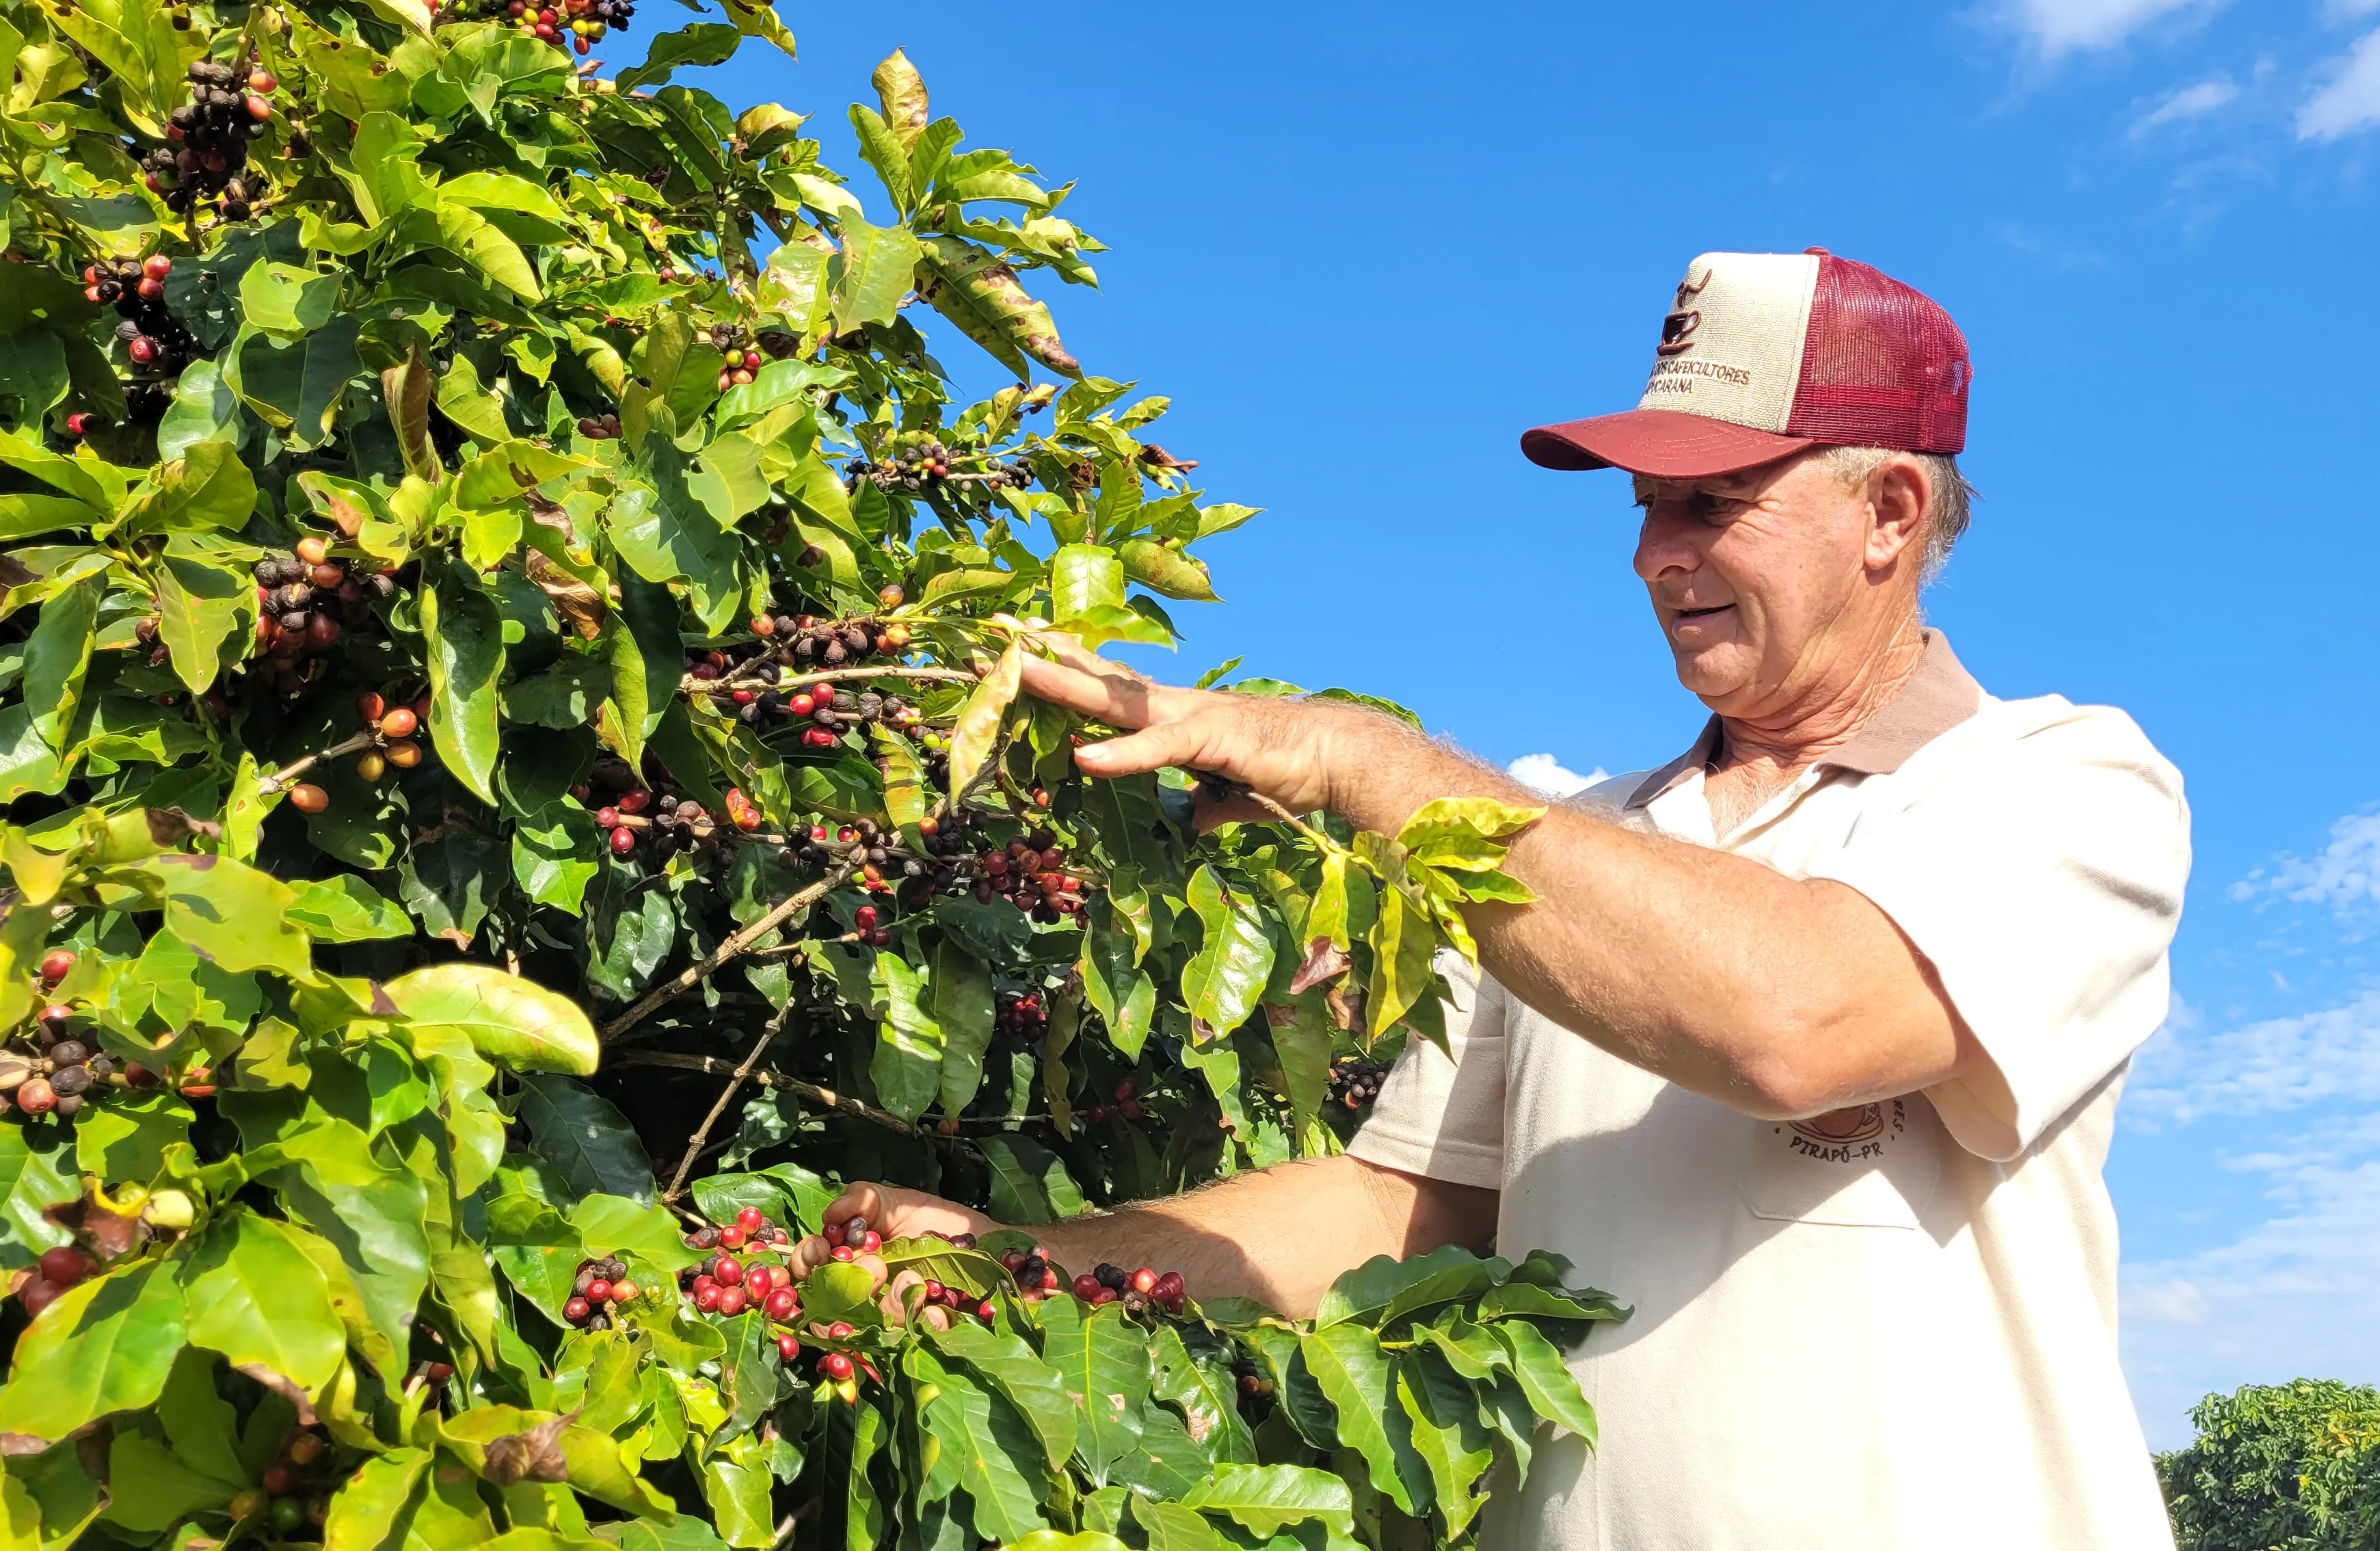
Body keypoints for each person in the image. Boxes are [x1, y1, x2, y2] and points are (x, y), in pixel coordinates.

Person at [799, 250, 2191, 1549]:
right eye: (1646, 505)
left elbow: (1802, 1021)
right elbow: (1407, 1203)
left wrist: (1363, 757)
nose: (1653, 553)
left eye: (1712, 502)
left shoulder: (2059, 783)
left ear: (1886, 513)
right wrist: (1033, 1262)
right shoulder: (1576, 850)